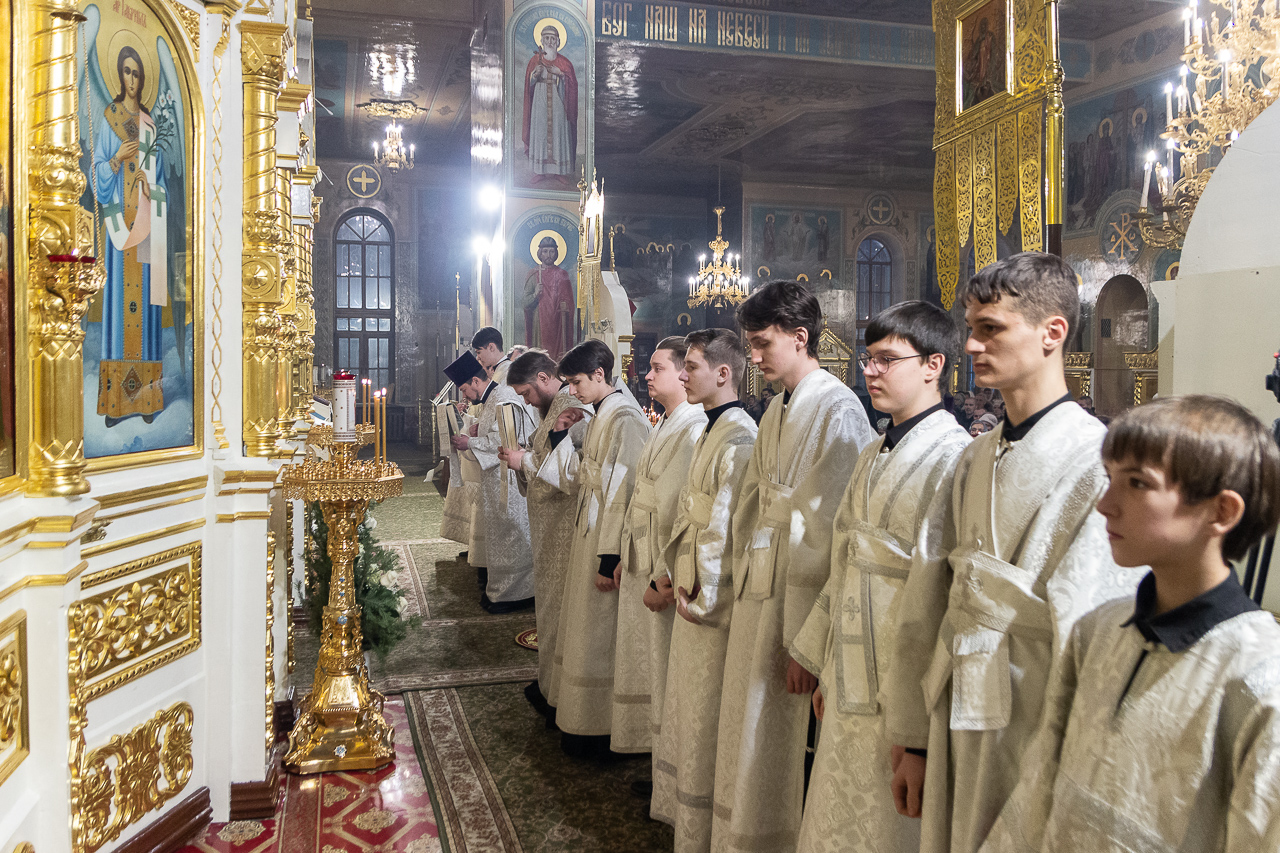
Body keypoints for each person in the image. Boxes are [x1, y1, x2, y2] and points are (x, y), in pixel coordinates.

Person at [886, 252, 1143, 853]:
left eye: (991, 328)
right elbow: (929, 592)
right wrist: (913, 734)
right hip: (955, 700)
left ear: (1053, 332)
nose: (972, 345)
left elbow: (1099, 627)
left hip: (1037, 713)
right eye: (970, 328)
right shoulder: (974, 456)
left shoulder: (1095, 459)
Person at [980, 395, 1280, 852]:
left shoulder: (1259, 677)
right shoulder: (1097, 630)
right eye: (1110, 478)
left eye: (1138, 483)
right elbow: (1041, 787)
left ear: (1221, 512)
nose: (1105, 504)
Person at [790, 301, 971, 853]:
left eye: (887, 360)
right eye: (868, 358)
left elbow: (946, 605)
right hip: (847, 672)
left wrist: (918, 740)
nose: (869, 371)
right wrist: (825, 667)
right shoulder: (873, 452)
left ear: (933, 365)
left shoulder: (955, 459)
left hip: (902, 684)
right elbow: (844, 561)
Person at [712, 281, 875, 853]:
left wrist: (810, 642)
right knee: (754, 714)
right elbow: (753, 499)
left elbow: (836, 532)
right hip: (762, 576)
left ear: (800, 337)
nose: (753, 356)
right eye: (750, 344)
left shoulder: (839, 408)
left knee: (788, 727)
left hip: (799, 598)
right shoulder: (779, 405)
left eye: (762, 343)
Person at [652, 328, 758, 851]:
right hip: (689, 581)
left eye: (691, 367)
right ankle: (681, 804)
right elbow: (690, 509)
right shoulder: (711, 428)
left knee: (705, 706)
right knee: (687, 701)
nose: (684, 375)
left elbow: (724, 524)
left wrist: (700, 592)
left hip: (710, 601)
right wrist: (670, 572)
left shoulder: (739, 436)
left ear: (723, 373)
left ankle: (703, 817)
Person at [540, 339, 651, 758]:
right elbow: (583, 477)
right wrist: (560, 433)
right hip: (590, 527)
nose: (571, 391)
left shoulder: (625, 417)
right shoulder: (602, 411)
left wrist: (611, 557)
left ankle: (601, 724)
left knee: (601, 630)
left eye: (576, 382)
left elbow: (627, 490)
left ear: (600, 375)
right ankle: (580, 715)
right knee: (586, 625)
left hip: (607, 536)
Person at [612, 338, 708, 771]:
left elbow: (678, 509)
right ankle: (654, 756)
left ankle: (666, 764)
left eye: (657, 368)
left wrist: (662, 576)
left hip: (663, 562)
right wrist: (622, 553)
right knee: (649, 660)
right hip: (642, 549)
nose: (647, 376)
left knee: (664, 662)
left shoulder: (692, 425)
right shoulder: (668, 421)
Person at [501, 349, 591, 715]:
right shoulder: (552, 407)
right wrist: (525, 453)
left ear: (543, 378)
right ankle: (549, 683)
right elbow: (550, 452)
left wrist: (524, 461)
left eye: (526, 393)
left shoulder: (574, 407)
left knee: (562, 610)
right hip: (550, 528)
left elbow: (578, 470)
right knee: (550, 608)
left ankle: (560, 692)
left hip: (567, 527)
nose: (525, 401)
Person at [94, 45, 169, 426]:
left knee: (146, 317)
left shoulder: (150, 127)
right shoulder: (110, 119)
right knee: (118, 311)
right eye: (126, 72)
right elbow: (97, 172)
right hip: (118, 230)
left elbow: (163, 188)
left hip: (145, 229)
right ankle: (117, 405)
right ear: (119, 76)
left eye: (137, 73)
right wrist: (116, 160)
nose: (132, 79)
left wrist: (149, 188)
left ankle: (146, 401)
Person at [447, 351, 538, 614]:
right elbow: (494, 431)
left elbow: (508, 440)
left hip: (509, 479)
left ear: (476, 381)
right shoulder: (492, 398)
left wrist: (469, 442)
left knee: (512, 535)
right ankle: (501, 590)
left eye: (465, 389)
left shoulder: (503, 397)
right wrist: (477, 429)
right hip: (496, 478)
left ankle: (518, 594)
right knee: (501, 536)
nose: (465, 396)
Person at [521, 23, 577, 187]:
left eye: (553, 38)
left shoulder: (565, 63)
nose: (550, 41)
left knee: (559, 132)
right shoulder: (534, 60)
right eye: (547, 38)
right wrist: (534, 75)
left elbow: (573, 85)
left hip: (559, 102)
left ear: (558, 41)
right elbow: (528, 86)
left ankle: (559, 171)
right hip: (540, 103)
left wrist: (562, 75)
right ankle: (540, 171)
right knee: (540, 133)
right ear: (541, 41)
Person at [523, 236, 576, 359]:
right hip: (539, 321)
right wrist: (535, 294)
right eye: (545, 251)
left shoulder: (562, 274)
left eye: (551, 251)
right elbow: (525, 302)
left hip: (558, 322)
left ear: (556, 253)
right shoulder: (534, 274)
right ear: (540, 253)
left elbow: (569, 301)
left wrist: (566, 305)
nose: (548, 255)